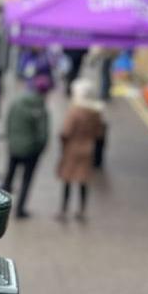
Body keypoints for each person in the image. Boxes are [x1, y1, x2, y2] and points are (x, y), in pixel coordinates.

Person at [2, 73, 52, 218]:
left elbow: (8, 120)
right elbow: (43, 134)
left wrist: (11, 140)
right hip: (31, 150)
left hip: (14, 146)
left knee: (9, 177)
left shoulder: (17, 101)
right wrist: (40, 148)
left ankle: (1, 206)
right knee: (26, 180)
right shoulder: (40, 108)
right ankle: (20, 209)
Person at [56, 79, 106, 221]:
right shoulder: (96, 112)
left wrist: (63, 143)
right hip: (87, 148)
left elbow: (65, 132)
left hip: (72, 148)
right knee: (83, 181)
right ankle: (82, 210)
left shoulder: (74, 111)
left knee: (67, 180)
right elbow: (99, 133)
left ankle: (64, 209)